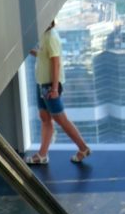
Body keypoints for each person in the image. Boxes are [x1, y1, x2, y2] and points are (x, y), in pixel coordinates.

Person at [25, 18, 91, 165]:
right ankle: (42, 155)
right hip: (41, 83)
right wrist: (31, 51)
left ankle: (83, 148)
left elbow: (56, 63)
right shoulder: (44, 34)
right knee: (45, 118)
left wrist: (55, 88)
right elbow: (44, 56)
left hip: (49, 85)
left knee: (61, 119)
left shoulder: (51, 37)